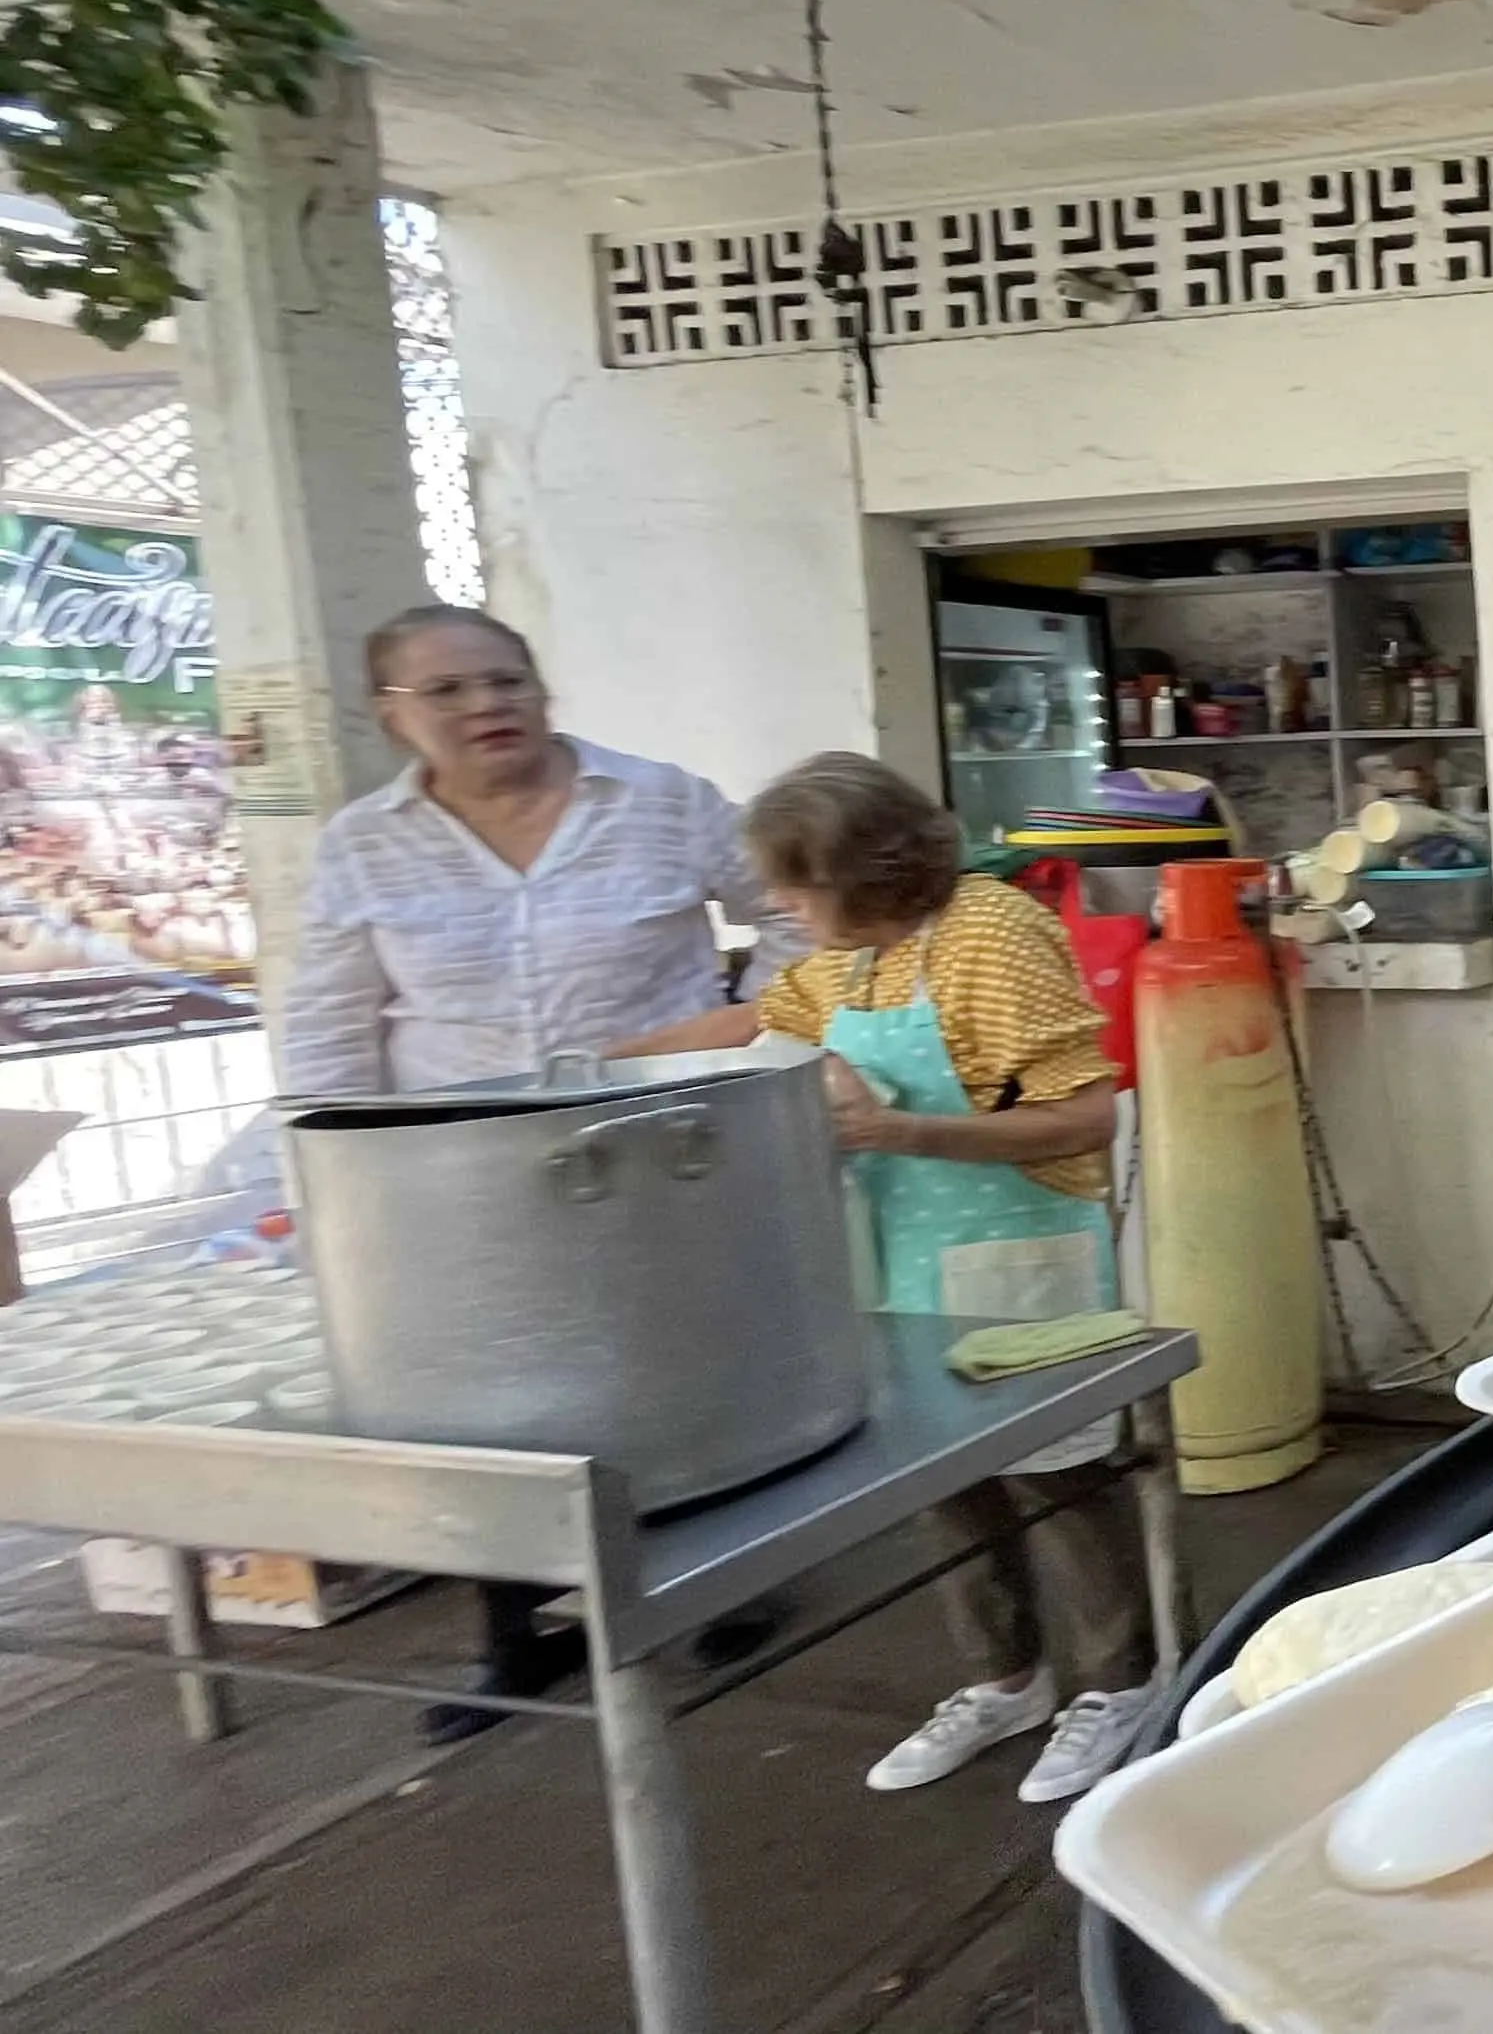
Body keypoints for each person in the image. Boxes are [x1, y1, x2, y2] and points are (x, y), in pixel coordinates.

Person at [275, 605, 807, 1739]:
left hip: (660, 1136)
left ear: (542, 688)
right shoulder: (362, 843)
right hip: (451, 1162)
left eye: (506, 680)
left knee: (680, 1359)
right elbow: (329, 1017)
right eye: (450, 691)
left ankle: (712, 1587)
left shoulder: (660, 800)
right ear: (393, 716)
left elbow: (795, 911)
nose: (487, 707)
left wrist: (739, 1023)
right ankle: (515, 1631)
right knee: (483, 1396)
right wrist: (327, 1174)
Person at [629, 752, 1156, 1802]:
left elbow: (1092, 1115)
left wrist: (896, 1128)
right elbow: (757, 1024)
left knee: (1057, 1476)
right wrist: (591, 1068)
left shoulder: (992, 938)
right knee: (943, 1480)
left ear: (865, 872)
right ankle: (1004, 1679)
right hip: (901, 1256)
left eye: (794, 882)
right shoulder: (843, 963)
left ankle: (1124, 1683)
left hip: (1018, 1249)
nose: (776, 902)